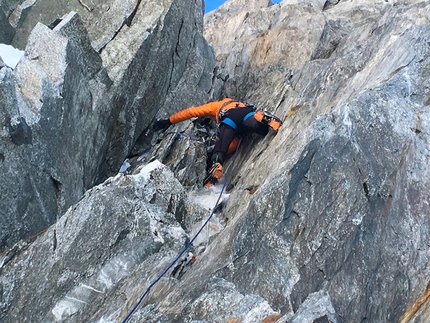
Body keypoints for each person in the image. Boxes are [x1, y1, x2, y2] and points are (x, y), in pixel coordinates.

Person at [153, 98, 282, 187]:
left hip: (230, 119)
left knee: (220, 149)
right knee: (261, 129)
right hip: (247, 114)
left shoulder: (215, 106)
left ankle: (215, 169)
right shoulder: (239, 103)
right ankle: (263, 119)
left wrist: (169, 121)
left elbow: (191, 112)